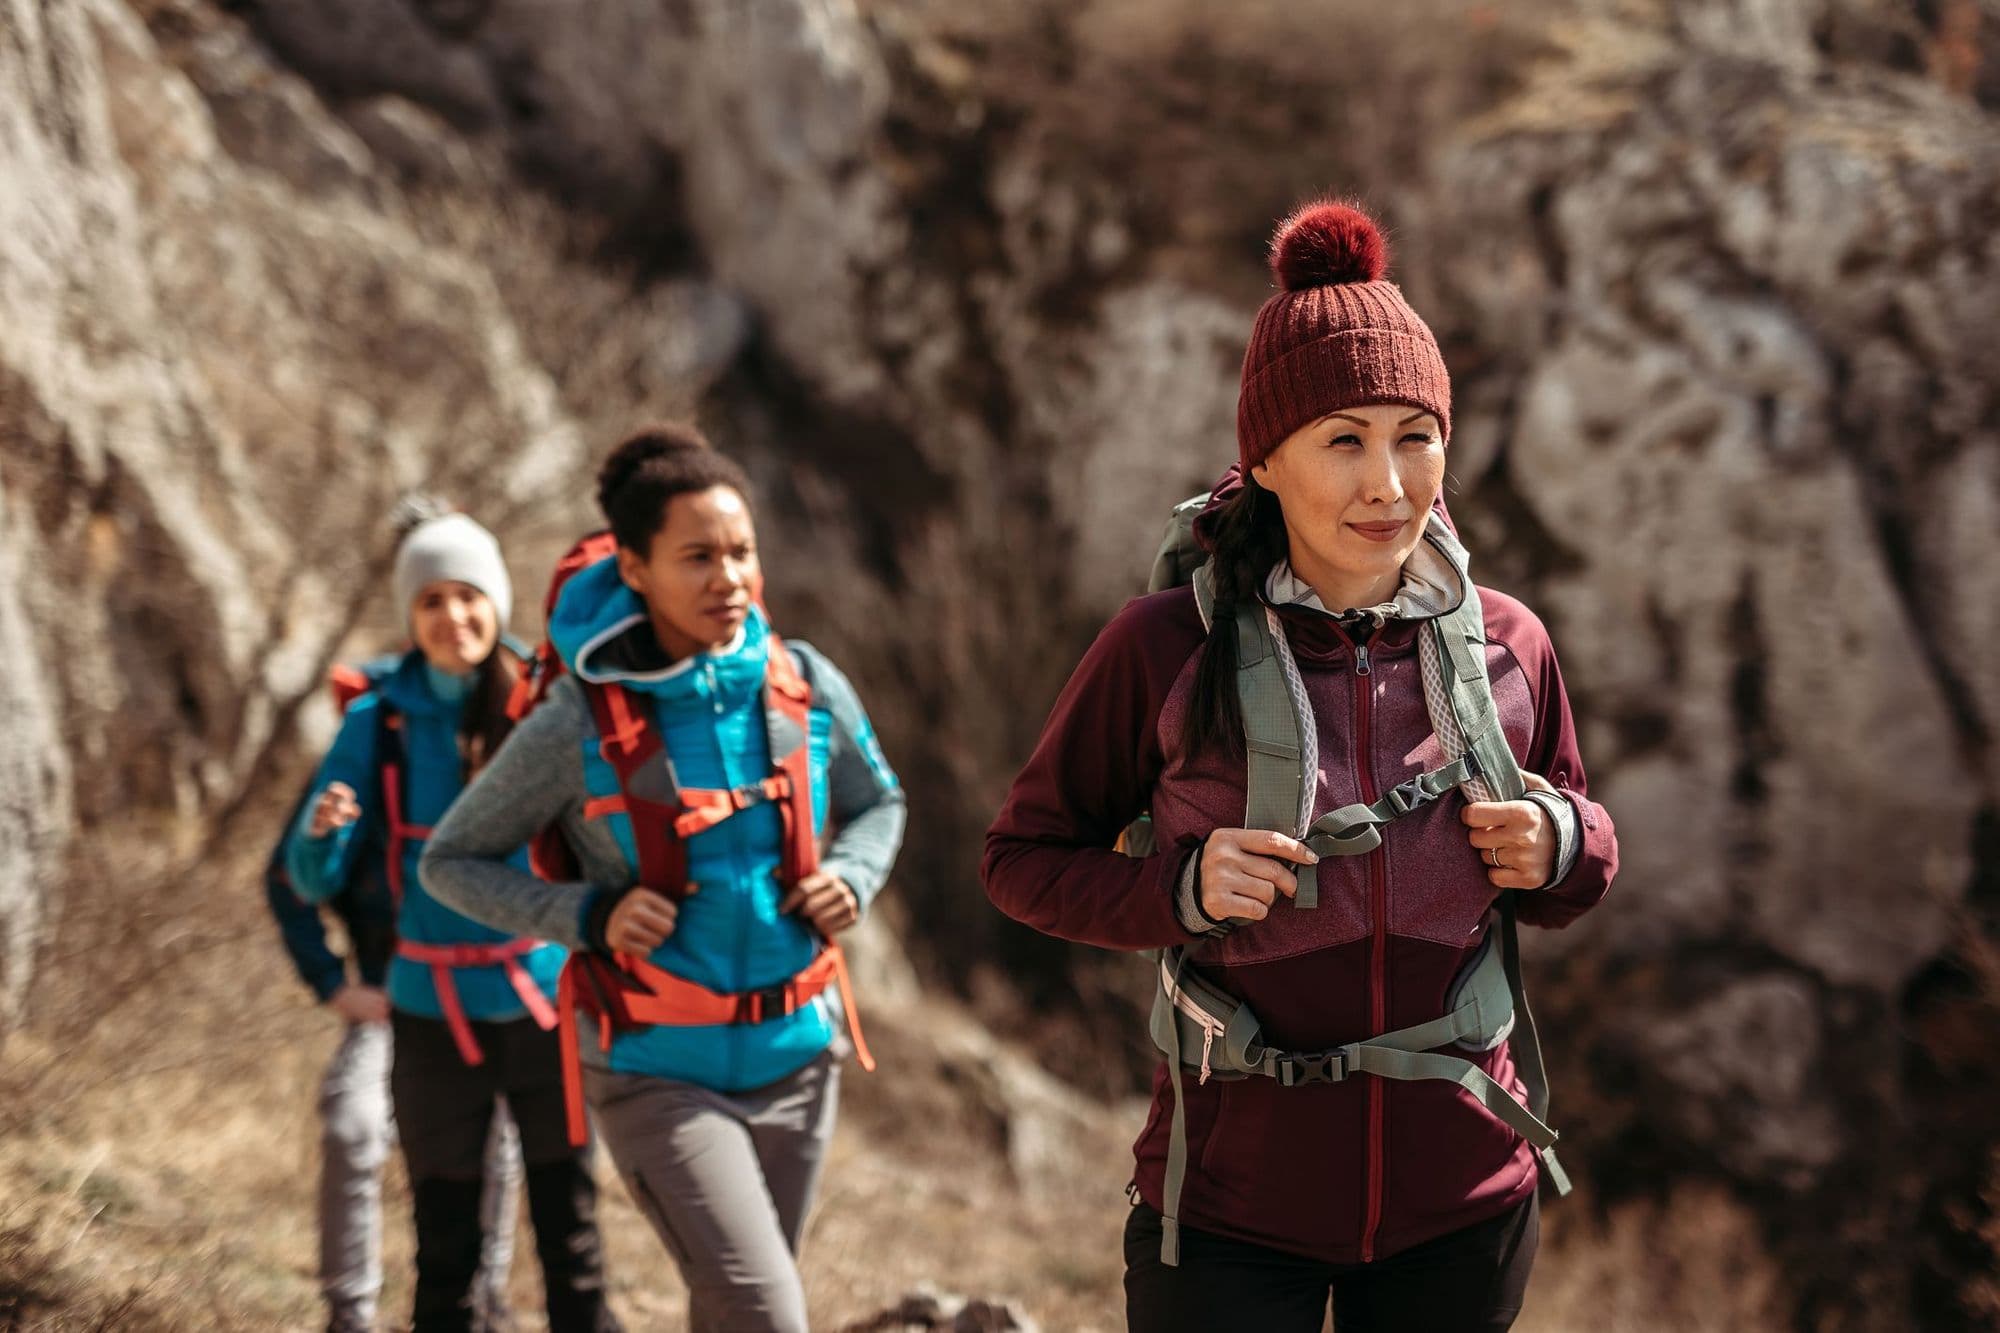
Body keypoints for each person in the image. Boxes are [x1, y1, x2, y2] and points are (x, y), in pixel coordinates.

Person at [982, 200, 1619, 1332]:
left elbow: (1577, 845)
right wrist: (1178, 888)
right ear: (1264, 460)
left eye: (1414, 435)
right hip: (1229, 1211)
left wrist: (1558, 841)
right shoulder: (1163, 646)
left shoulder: (1506, 644)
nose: (1387, 483)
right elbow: (1021, 860)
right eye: (1342, 440)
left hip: (1462, 1203)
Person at [421, 425, 906, 1333]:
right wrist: (586, 913)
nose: (729, 576)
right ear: (636, 569)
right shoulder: (576, 721)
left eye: (741, 552)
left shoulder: (802, 681)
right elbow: (450, 860)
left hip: (801, 1058)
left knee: (735, 1310)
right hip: (653, 1068)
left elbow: (880, 801)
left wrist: (855, 872)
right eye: (698, 556)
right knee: (768, 1313)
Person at [288, 501, 619, 1332]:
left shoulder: (541, 703)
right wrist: (320, 836)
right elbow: (308, 873)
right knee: (444, 1260)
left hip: (540, 1002)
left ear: (497, 602)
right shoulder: (378, 718)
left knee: (572, 1244)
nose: (453, 616)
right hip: (430, 1013)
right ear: (409, 613)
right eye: (430, 600)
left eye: (468, 596)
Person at [266, 684, 524, 1333]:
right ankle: (349, 1316)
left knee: (500, 1139)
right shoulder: (362, 763)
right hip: (391, 1000)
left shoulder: (513, 748)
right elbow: (289, 879)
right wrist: (332, 983)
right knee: (352, 1124)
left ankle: (482, 1303)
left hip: (491, 1000)